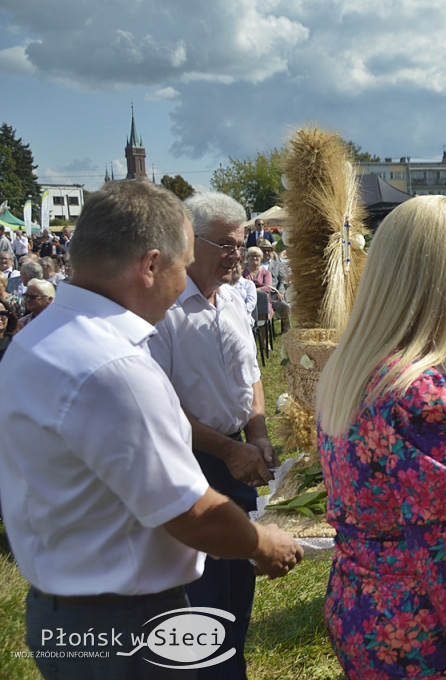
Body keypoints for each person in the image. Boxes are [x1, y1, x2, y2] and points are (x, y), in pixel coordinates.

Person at [0, 179, 301, 680]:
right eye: (181, 267)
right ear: (150, 266)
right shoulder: (116, 367)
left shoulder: (37, 341)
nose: (182, 282)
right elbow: (192, 516)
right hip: (126, 626)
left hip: (68, 609)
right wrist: (262, 542)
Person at [316, 195, 446, 680]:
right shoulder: (429, 397)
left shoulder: (351, 370)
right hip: (428, 636)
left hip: (362, 610)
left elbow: (412, 493)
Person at [149, 191, 278, 680]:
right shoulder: (164, 312)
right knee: (199, 596)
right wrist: (229, 448)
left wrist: (259, 432)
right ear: (190, 241)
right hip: (193, 463)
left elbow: (253, 378)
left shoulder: (234, 299)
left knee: (236, 587)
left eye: (240, 245)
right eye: (226, 244)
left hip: (237, 456)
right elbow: (161, 409)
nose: (236, 256)